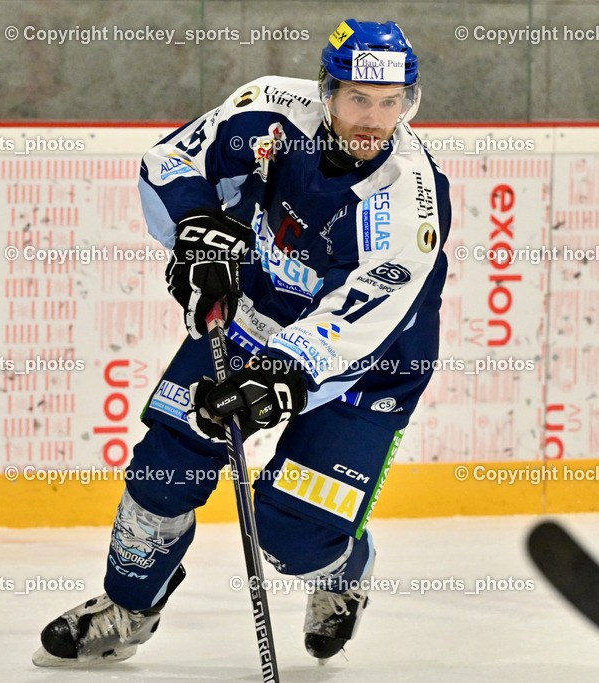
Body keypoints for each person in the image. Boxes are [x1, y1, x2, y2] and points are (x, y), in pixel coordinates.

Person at [33, 17, 452, 668]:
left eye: (391, 101)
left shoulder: (407, 200)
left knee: (291, 534)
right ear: (327, 91)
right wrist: (196, 226)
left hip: (369, 366)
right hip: (255, 313)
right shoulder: (268, 111)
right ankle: (128, 606)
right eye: (358, 100)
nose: (374, 119)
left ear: (410, 101)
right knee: (163, 471)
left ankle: (346, 569)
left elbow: (364, 316)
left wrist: (282, 373)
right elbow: (174, 162)